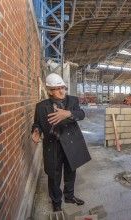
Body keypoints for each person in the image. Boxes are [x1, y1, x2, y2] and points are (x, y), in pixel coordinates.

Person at [31, 73, 91, 212]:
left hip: (71, 143)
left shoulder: (72, 100)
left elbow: (81, 114)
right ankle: (56, 202)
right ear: (50, 91)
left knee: (71, 171)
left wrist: (68, 114)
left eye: (63, 87)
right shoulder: (41, 107)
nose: (62, 91)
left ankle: (69, 196)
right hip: (53, 145)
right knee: (54, 175)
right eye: (58, 89)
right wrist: (36, 130)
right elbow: (37, 123)